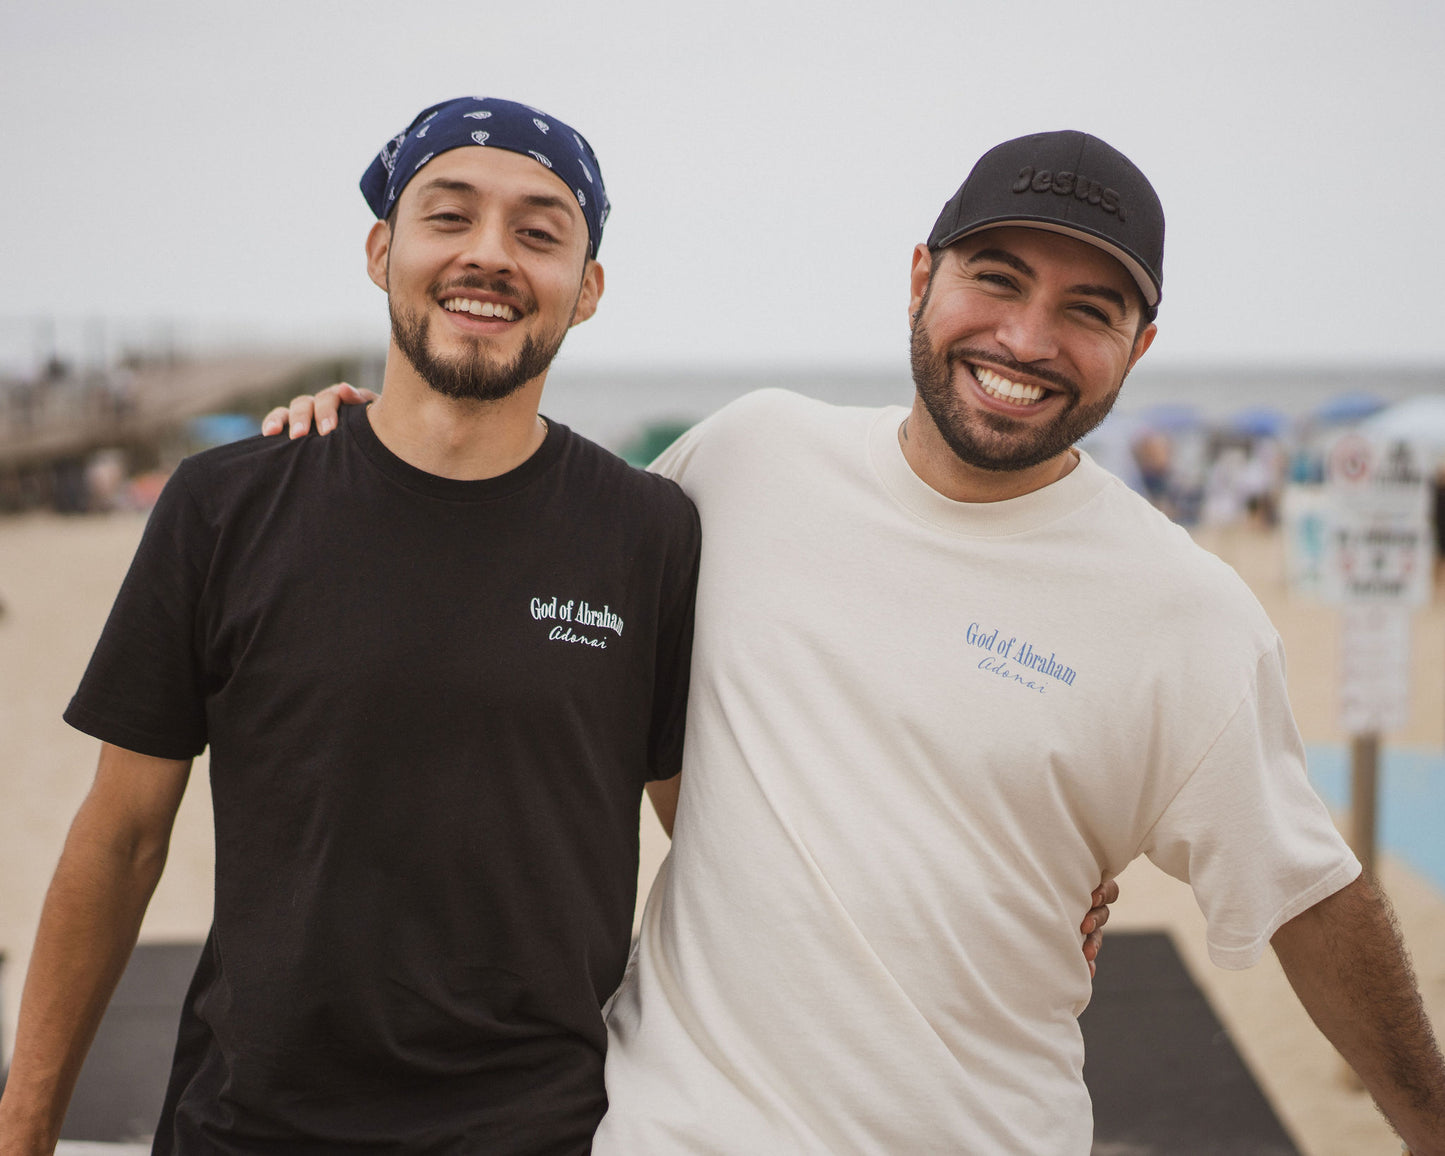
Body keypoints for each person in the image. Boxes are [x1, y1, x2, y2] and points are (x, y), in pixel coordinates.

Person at [284, 130, 1445, 1154]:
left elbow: (1307, 893)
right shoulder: (748, 455)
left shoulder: (1183, 612)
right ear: (916, 280)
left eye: (1088, 311)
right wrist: (375, 447)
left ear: (1137, 348)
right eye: (995, 279)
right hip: (669, 1127)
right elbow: (544, 565)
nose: (1026, 337)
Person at [0, 96, 706, 1155]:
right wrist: (24, 1127)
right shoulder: (224, 504)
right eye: (448, 216)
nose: (489, 255)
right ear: (383, 250)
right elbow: (120, 837)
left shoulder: (647, 532)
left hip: (542, 1132)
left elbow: (715, 842)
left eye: (539, 231)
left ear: (587, 288)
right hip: (247, 1126)